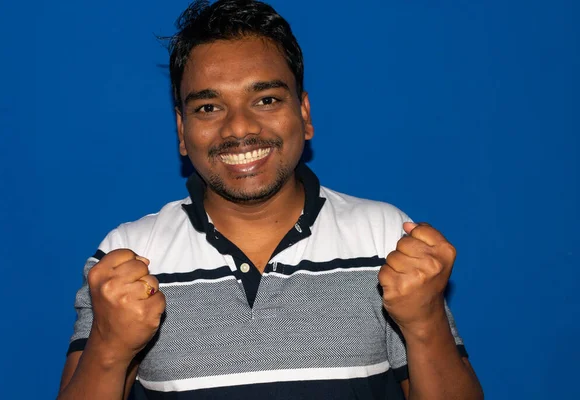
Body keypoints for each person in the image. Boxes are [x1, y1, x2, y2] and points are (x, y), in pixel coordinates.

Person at [57, 0, 483, 399]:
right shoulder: (128, 257)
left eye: (266, 100)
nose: (239, 128)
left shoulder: (386, 239)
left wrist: (425, 322)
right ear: (182, 132)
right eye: (208, 108)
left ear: (305, 114)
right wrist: (110, 348)